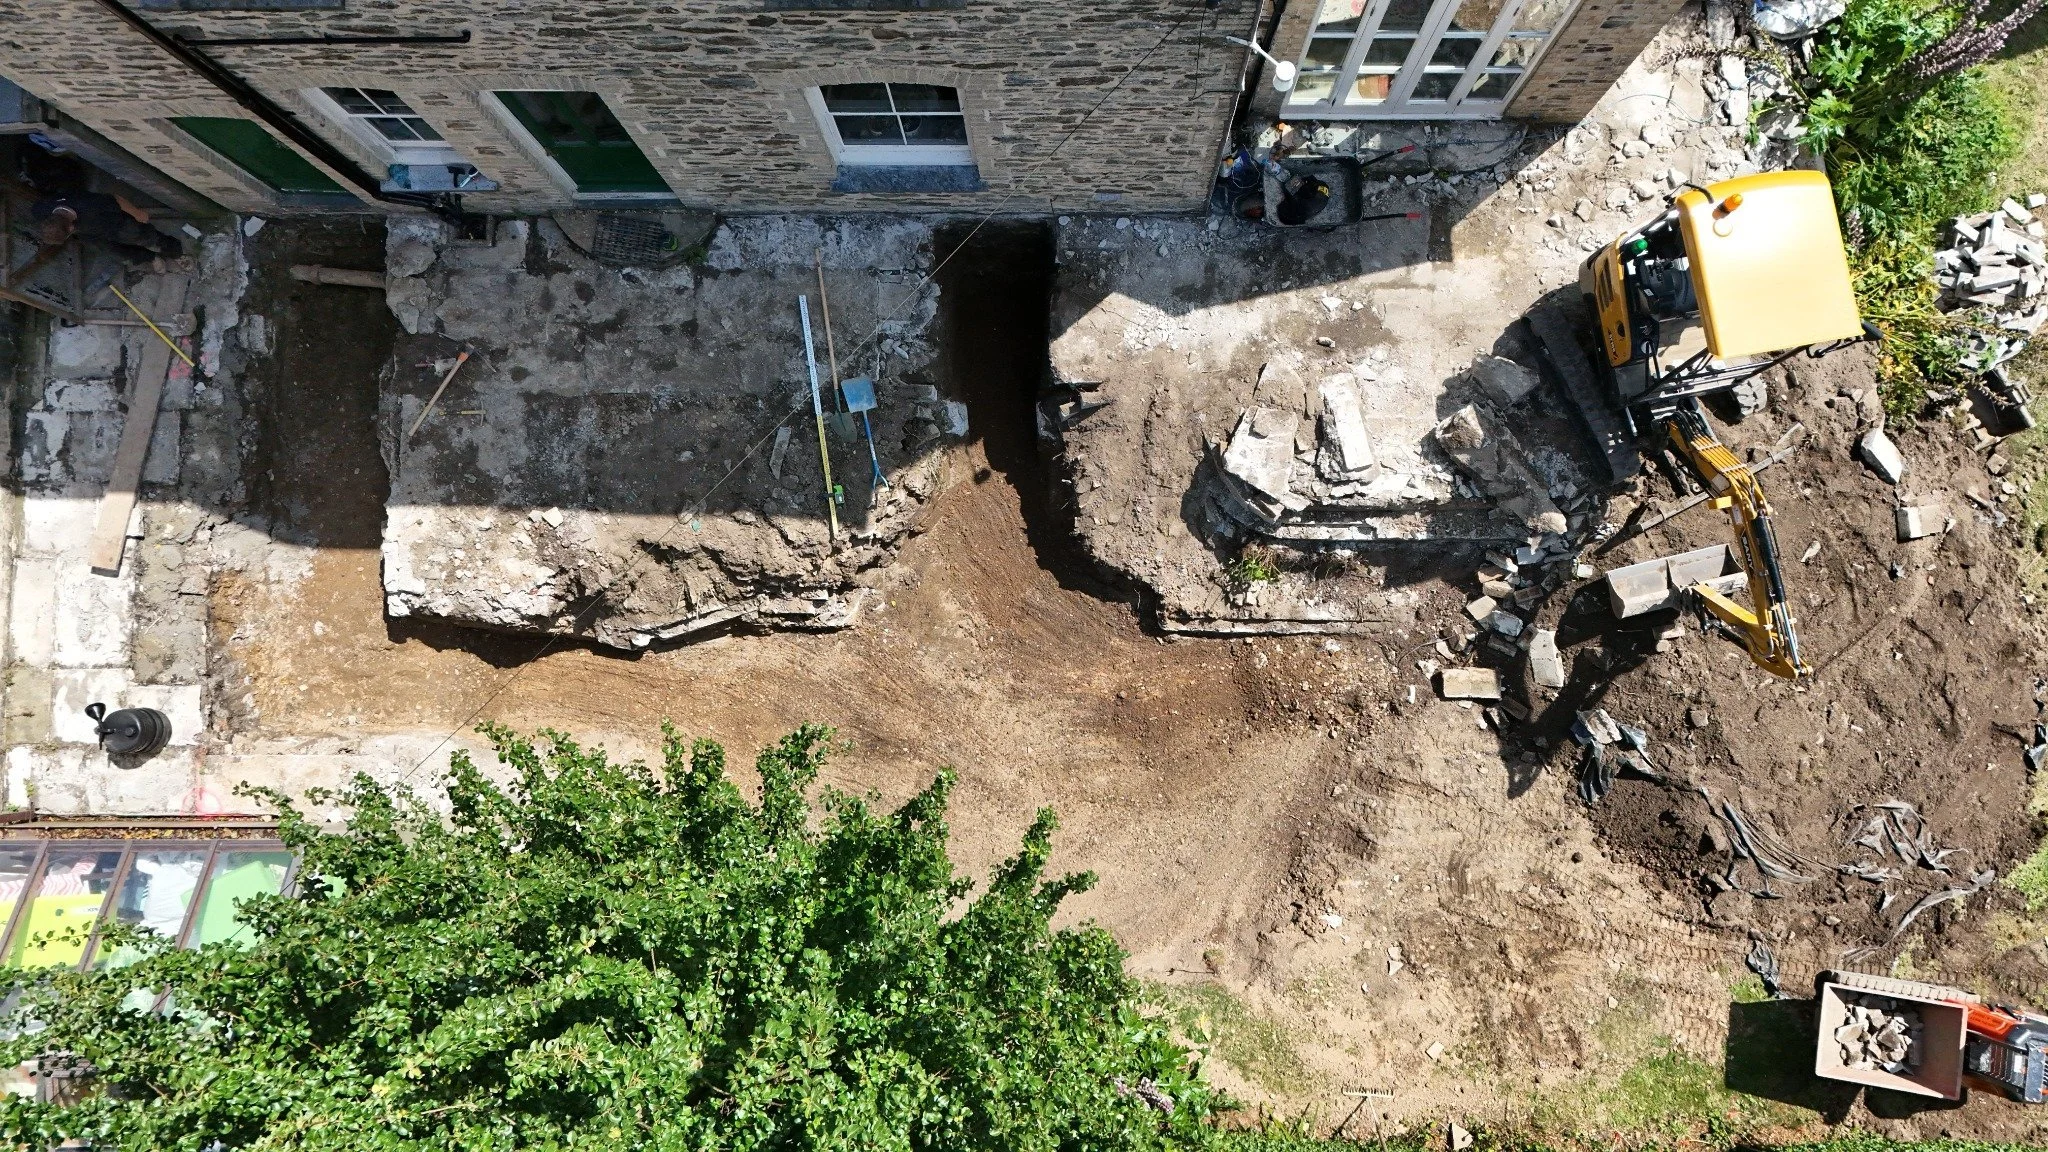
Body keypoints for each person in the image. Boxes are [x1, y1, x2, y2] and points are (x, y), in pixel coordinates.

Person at [30, 191, 181, 263]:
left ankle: (173, 249)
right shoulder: (41, 210)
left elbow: (116, 198)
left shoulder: (87, 204)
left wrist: (136, 213)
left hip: (114, 224)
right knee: (118, 253)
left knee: (143, 236)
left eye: (69, 233)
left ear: (70, 227)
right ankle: (151, 257)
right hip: (90, 235)